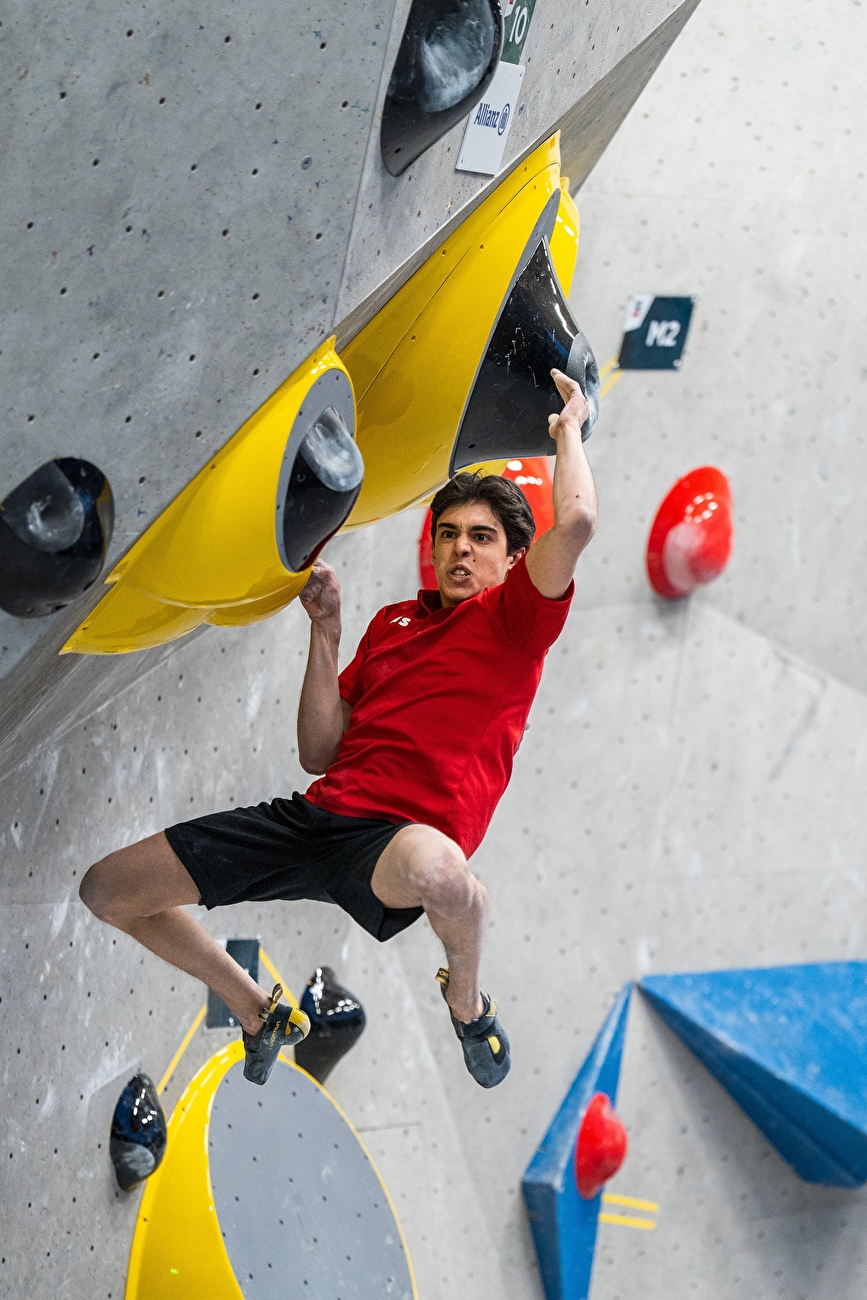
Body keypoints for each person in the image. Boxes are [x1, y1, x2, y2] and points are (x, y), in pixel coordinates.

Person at [79, 370, 597, 1088]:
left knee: (445, 878)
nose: (459, 550)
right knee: (108, 891)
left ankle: (467, 1005)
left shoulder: (515, 620)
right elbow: (318, 751)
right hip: (314, 820)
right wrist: (325, 635)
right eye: (447, 534)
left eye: (481, 539)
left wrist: (567, 429)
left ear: (513, 558)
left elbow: (573, 524)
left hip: (398, 841)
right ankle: (258, 1009)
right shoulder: (394, 623)